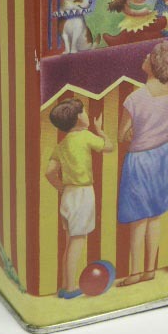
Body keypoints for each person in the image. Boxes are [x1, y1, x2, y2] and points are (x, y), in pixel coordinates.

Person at [117, 40, 168, 286]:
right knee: (155, 216)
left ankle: (135, 273)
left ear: (153, 64)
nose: (145, 57)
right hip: (163, 157)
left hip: (140, 160)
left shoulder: (135, 98)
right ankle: (150, 269)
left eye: (149, 55)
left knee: (138, 220)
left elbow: (121, 135)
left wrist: (132, 131)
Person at [45, 98, 113, 299]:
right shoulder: (85, 136)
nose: (86, 114)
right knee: (77, 242)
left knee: (70, 243)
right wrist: (100, 130)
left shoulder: (61, 145)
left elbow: (49, 172)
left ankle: (65, 285)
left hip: (68, 195)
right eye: (83, 111)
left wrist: (61, 188)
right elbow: (109, 147)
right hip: (83, 194)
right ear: (77, 118)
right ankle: (70, 288)